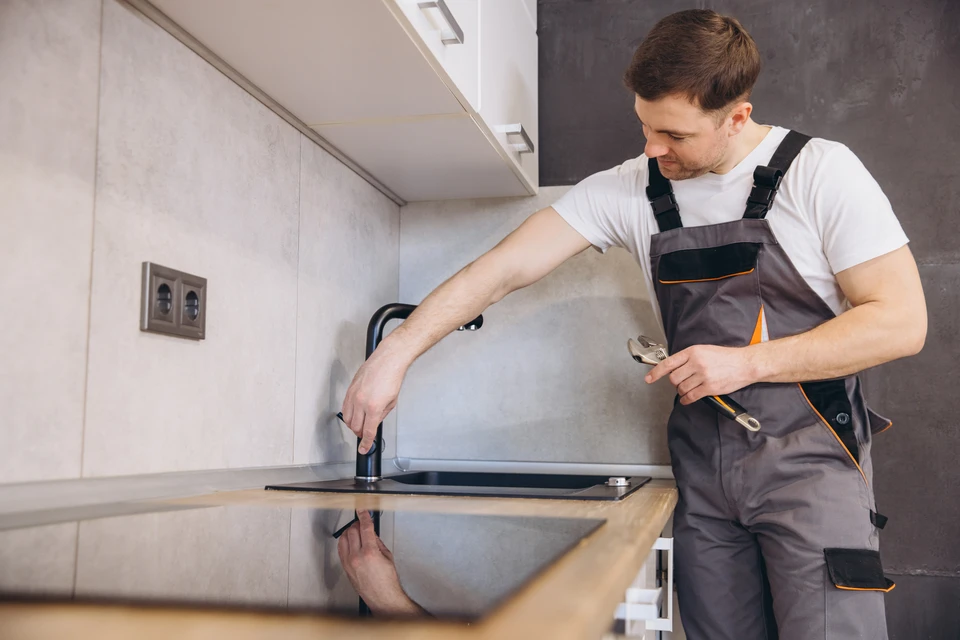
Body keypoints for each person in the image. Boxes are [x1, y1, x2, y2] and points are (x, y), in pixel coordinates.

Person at [340, 9, 926, 639]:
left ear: (737, 117)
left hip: (812, 469)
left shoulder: (820, 173)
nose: (652, 148)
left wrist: (748, 362)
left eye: (673, 134)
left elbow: (899, 322)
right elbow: (503, 269)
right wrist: (395, 352)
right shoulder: (630, 189)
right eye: (645, 126)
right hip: (703, 473)